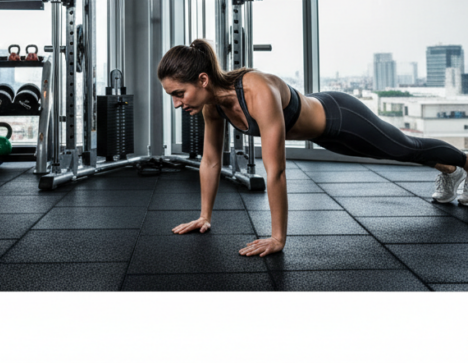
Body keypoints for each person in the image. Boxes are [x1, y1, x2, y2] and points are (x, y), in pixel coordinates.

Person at [158, 39, 468, 257]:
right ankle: (449, 171)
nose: (176, 103)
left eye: (178, 93)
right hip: (324, 136)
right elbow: (211, 162)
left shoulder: (257, 90)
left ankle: (463, 163)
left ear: (202, 80)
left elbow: (275, 170)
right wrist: (204, 216)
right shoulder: (213, 105)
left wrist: (278, 238)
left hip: (341, 117)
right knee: (398, 152)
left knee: (406, 148)